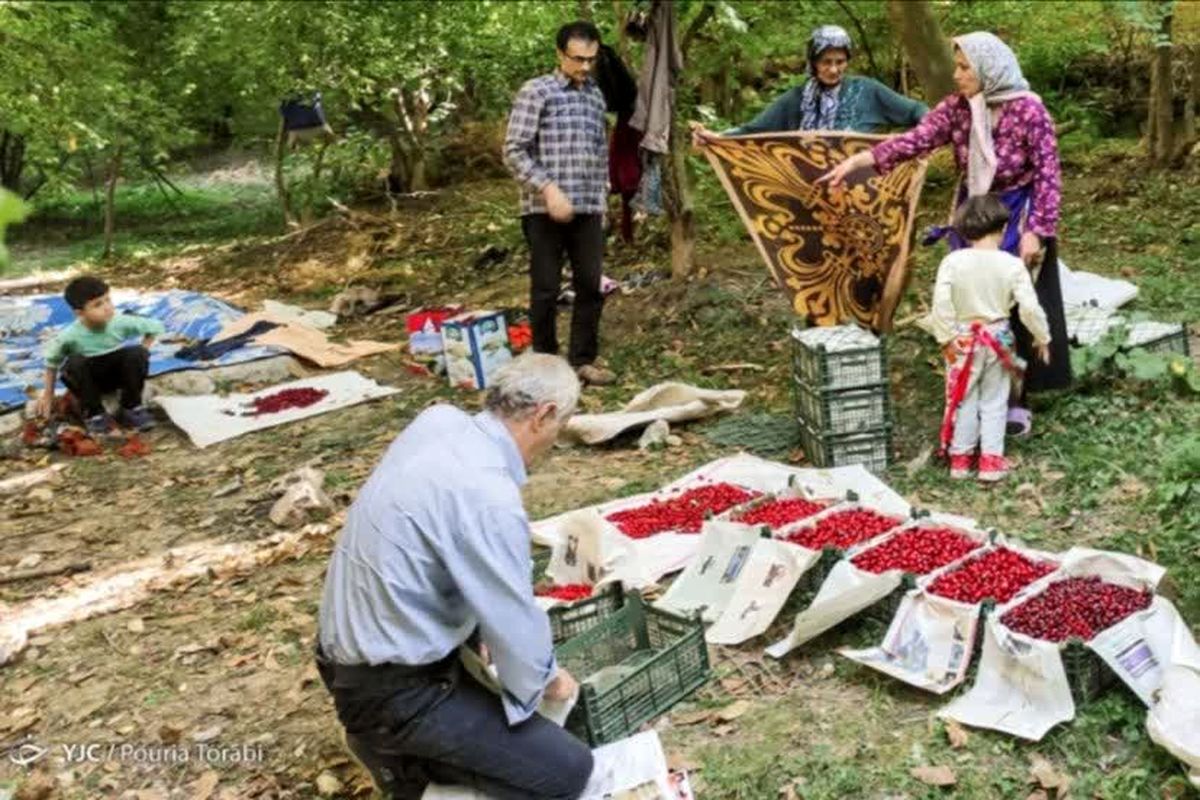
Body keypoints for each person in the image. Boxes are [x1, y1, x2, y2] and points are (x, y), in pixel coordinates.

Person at [315, 353, 593, 800]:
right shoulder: (487, 494)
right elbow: (511, 616)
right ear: (544, 416)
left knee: (502, 710)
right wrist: (552, 682)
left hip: (349, 654)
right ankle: (398, 760)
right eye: (562, 423)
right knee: (567, 772)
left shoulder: (439, 423)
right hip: (392, 689)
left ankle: (400, 740)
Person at [822, 31, 1071, 435]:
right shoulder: (958, 108)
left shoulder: (1029, 112)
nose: (956, 75)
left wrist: (1037, 233)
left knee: (1012, 305)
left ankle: (1013, 398)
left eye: (963, 66)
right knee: (970, 301)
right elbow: (915, 140)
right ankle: (970, 389)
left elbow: (1048, 175)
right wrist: (861, 161)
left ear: (988, 69)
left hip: (1015, 214)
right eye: (957, 66)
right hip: (972, 212)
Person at [504, 21, 616, 387]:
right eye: (577, 59)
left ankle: (583, 360)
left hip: (587, 207)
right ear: (560, 54)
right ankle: (546, 365)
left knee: (590, 285)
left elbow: (600, 153)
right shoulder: (537, 92)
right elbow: (513, 150)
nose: (584, 67)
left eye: (591, 60)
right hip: (542, 209)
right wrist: (548, 188)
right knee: (546, 288)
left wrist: (603, 200)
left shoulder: (595, 96)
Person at [931, 195, 1051, 483]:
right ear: (1002, 228)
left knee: (963, 398)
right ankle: (990, 463)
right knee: (995, 400)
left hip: (961, 339)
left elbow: (941, 303)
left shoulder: (952, 262)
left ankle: (960, 461)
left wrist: (945, 337)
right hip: (998, 338)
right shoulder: (1011, 265)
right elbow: (1029, 307)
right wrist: (1041, 337)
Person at [690, 24, 927, 146]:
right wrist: (716, 137)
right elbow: (753, 131)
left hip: (859, 195)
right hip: (805, 196)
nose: (834, 69)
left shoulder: (867, 90)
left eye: (840, 62)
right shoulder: (796, 99)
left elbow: (917, 111)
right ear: (813, 62)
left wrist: (927, 136)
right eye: (826, 62)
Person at [35, 275, 161, 434]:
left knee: (136, 353)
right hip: (89, 380)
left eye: (108, 300)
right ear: (80, 313)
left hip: (115, 376)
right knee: (74, 362)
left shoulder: (120, 321)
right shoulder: (69, 336)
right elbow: (51, 363)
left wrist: (144, 350)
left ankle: (131, 408)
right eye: (97, 305)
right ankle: (94, 414)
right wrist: (48, 395)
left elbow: (155, 327)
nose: (107, 307)